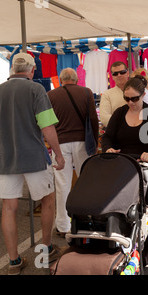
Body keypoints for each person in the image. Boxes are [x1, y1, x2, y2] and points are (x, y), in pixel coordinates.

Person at [0, 53, 65, 275]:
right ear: (32, 70)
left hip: (6, 158)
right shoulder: (36, 90)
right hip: (35, 157)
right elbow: (47, 127)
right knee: (48, 199)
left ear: (11, 71)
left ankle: (14, 261)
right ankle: (46, 249)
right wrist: (58, 154)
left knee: (9, 208)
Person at [101, 75, 148, 265]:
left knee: (145, 211)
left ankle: (147, 255)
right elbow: (108, 137)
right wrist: (108, 149)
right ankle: (121, 250)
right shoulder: (120, 113)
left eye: (134, 98)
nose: (130, 102)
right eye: (126, 98)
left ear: (144, 95)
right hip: (122, 166)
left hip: (145, 167)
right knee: (121, 209)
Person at [47, 68, 99, 237]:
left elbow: (48, 123)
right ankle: (87, 220)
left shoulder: (51, 95)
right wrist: (96, 141)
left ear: (61, 80)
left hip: (60, 143)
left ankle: (63, 226)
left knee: (62, 185)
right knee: (85, 181)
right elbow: (93, 119)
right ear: (76, 79)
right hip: (82, 141)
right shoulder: (86, 92)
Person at [99, 61, 128, 127]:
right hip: (117, 133)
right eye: (115, 73)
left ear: (127, 73)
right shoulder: (107, 94)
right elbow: (104, 117)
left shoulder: (137, 90)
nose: (119, 75)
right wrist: (126, 125)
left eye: (122, 72)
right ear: (112, 76)